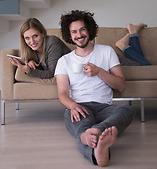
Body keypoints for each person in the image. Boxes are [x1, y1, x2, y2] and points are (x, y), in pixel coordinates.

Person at [54, 10, 135, 167]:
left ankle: (94, 133)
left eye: (82, 29)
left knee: (127, 110)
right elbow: (62, 93)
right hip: (79, 107)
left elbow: (121, 86)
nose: (79, 34)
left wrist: (99, 72)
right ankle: (98, 152)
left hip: (104, 108)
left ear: (89, 30)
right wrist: (73, 106)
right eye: (74, 32)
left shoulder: (107, 51)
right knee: (82, 126)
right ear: (69, 36)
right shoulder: (64, 61)